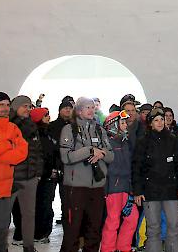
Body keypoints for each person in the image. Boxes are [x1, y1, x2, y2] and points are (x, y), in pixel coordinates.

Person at [59, 97, 115, 252]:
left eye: (92, 107)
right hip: (76, 187)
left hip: (97, 187)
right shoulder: (69, 130)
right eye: (87, 107)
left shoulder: (100, 129)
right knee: (73, 229)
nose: (91, 110)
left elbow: (111, 155)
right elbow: (66, 157)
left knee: (94, 229)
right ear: (78, 111)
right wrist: (89, 150)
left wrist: (101, 153)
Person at [132, 108, 178, 252]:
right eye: (156, 120)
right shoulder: (143, 142)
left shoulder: (173, 139)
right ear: (150, 124)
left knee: (174, 225)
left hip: (170, 189)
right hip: (150, 190)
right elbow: (137, 168)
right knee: (153, 227)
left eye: (162, 119)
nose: (160, 122)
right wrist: (137, 191)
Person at [0, 91, 28, 252]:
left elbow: (22, 152)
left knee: (3, 225)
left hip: (7, 185)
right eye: (0, 105)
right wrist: (6, 149)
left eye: (7, 105)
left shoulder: (12, 127)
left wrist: (1, 153)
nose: (5, 108)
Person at [101, 110, 139, 252]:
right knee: (113, 221)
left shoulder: (125, 141)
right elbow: (105, 168)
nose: (125, 125)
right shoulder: (107, 143)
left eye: (125, 122)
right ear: (113, 125)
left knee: (132, 218)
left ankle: (123, 247)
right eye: (122, 122)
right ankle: (108, 249)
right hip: (113, 188)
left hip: (126, 187)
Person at [9, 95, 44, 252]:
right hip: (11, 178)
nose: (28, 109)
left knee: (29, 214)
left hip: (30, 178)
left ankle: (29, 246)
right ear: (16, 107)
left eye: (30, 106)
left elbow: (38, 152)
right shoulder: (8, 125)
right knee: (3, 217)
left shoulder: (32, 126)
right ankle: (1, 246)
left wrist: (37, 173)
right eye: (25, 106)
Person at [31, 107, 58, 244]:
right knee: (41, 206)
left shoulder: (48, 133)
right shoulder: (36, 135)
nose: (48, 116)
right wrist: (47, 171)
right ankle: (39, 233)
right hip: (41, 177)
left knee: (47, 205)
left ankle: (43, 232)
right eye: (45, 115)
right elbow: (40, 157)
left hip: (50, 177)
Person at [49, 99, 73, 226]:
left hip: (68, 166)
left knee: (67, 197)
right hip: (54, 166)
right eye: (65, 108)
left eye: (70, 108)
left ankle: (67, 220)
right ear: (59, 110)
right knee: (49, 197)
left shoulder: (75, 126)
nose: (68, 110)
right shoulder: (52, 126)